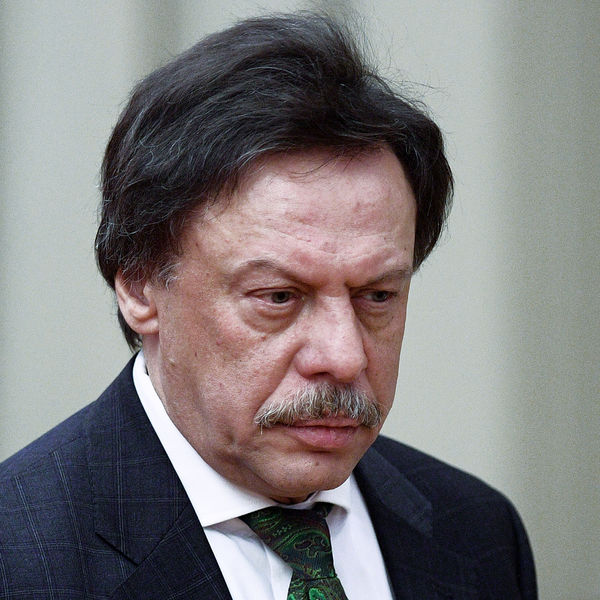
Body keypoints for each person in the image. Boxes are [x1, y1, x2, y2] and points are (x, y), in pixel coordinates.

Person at [0, 12, 537, 599]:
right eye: (278, 297)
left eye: (377, 296)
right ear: (140, 286)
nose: (345, 356)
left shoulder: (477, 535)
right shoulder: (20, 557)